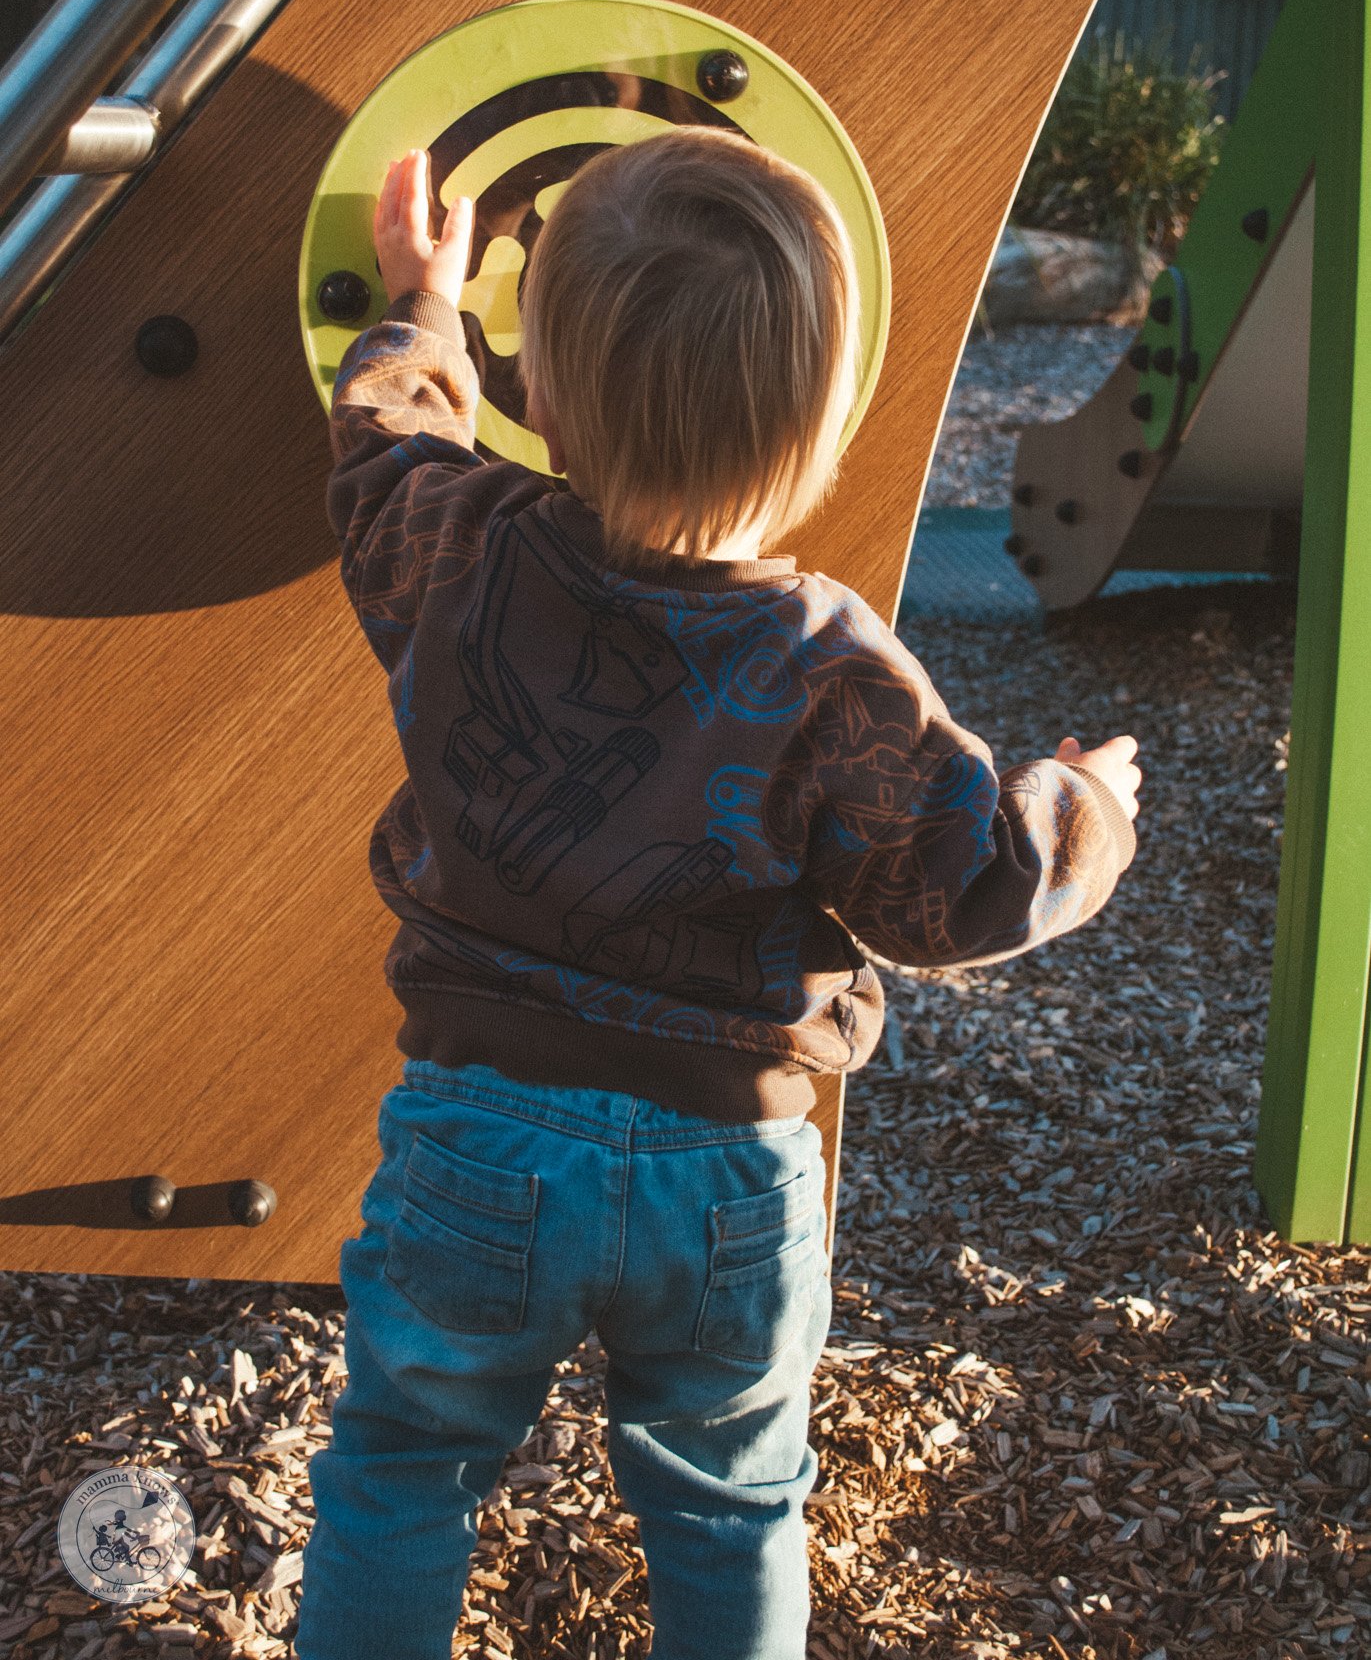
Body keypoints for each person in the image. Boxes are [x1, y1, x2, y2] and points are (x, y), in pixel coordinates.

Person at [293, 125, 1140, 1660]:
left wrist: (421, 304)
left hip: (479, 1134)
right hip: (728, 1167)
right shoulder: (831, 665)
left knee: (405, 1466)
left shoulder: (457, 548)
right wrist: (1081, 805)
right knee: (730, 1496)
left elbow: (381, 448)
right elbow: (964, 895)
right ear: (821, 431)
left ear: (538, 395)